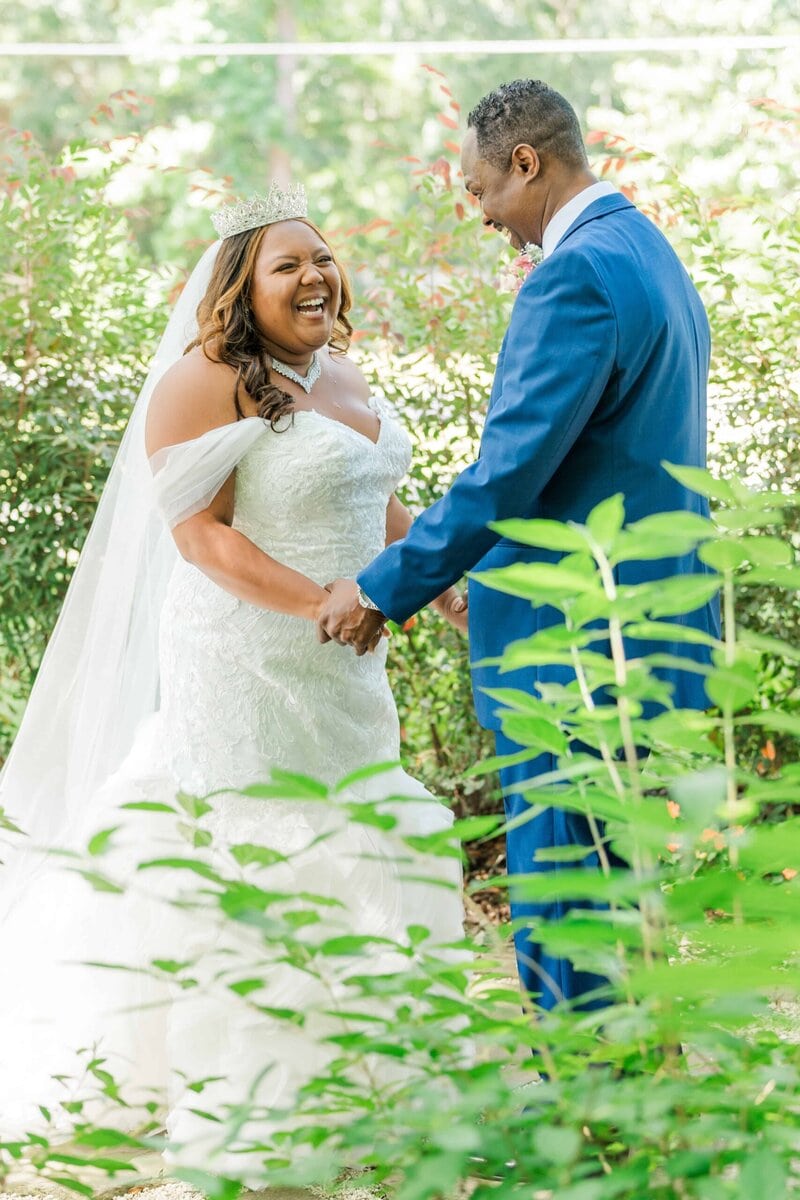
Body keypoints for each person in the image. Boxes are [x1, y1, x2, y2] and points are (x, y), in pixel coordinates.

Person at [0, 184, 466, 1180]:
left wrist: (434, 581)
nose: (314, 276)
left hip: (349, 669)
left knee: (359, 837)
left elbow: (373, 498)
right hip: (246, 661)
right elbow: (199, 537)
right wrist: (321, 604)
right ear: (239, 288)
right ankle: (244, 1110)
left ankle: (362, 1090)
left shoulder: (342, 375)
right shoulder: (201, 381)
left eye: (321, 257)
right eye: (285, 264)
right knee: (258, 851)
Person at [317, 80, 720, 1012]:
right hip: (650, 625)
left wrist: (382, 589)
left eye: (480, 188)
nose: (482, 212)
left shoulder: (573, 277)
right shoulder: (647, 250)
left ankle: (580, 1092)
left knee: (563, 891)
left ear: (526, 163)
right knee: (616, 887)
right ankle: (631, 1081)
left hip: (572, 645)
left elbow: (508, 474)